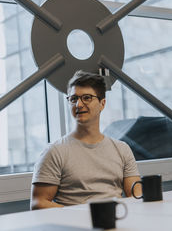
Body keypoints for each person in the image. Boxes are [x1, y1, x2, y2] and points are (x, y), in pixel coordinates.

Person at [31, 71, 141, 209]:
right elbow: (38, 203)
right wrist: (81, 216)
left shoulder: (121, 149)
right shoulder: (54, 151)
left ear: (102, 103)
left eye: (87, 98)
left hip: (115, 221)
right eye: (73, 99)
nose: (79, 104)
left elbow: (136, 195)